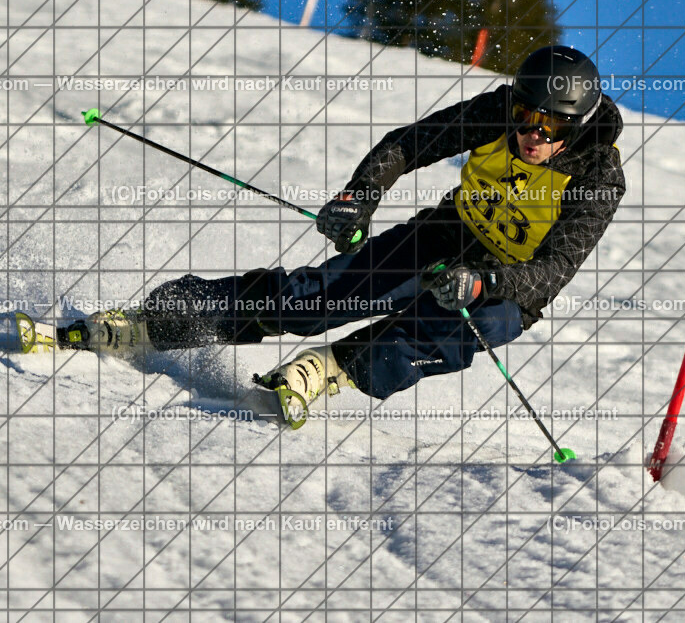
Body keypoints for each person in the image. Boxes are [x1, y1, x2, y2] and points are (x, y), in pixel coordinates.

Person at [79, 45, 626, 415]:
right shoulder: (496, 112)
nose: (532, 131)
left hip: (506, 284)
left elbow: (553, 271)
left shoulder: (598, 173)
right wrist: (358, 197)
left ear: (574, 126)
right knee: (315, 299)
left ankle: (325, 371)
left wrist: (486, 282)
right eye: (526, 113)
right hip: (446, 233)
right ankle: (158, 320)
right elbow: (408, 144)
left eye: (550, 124)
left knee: (456, 328)